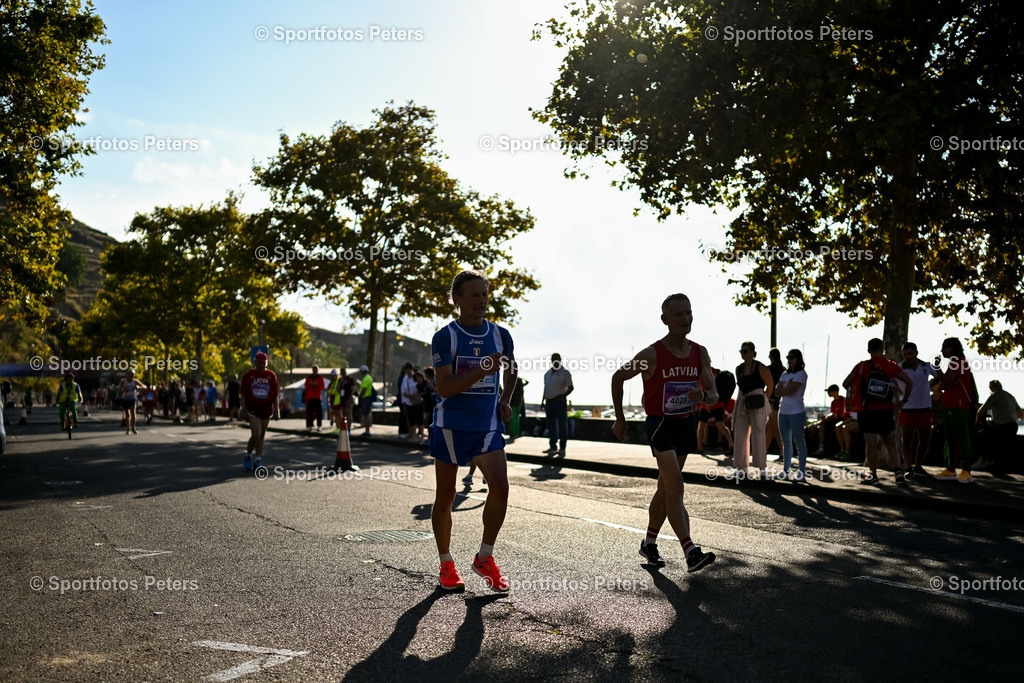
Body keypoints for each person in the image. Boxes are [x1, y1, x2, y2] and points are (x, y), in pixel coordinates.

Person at [611, 292, 717, 573]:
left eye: (689, 313)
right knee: (677, 486)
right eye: (679, 314)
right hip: (660, 425)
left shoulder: (699, 352)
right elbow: (618, 377)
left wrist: (703, 395)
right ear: (665, 320)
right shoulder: (651, 354)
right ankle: (690, 550)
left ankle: (649, 542)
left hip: (685, 426)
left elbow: (714, 393)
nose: (686, 318)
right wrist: (620, 419)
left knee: (666, 487)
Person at [429, 270, 517, 592]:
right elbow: (445, 387)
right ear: (458, 300)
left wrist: (504, 400)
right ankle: (446, 564)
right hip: (451, 427)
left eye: (484, 294)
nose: (481, 300)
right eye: (474, 295)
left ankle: (485, 557)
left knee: (501, 487)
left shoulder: (500, 335)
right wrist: (480, 369)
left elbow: (512, 368)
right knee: (447, 496)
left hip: (486, 427)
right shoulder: (446, 337)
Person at [843, 338, 913, 485]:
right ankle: (898, 472)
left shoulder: (861, 367)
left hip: (866, 410)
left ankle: (873, 475)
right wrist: (903, 400)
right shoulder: (891, 366)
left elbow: (845, 383)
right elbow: (908, 382)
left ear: (868, 350)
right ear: (883, 349)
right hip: (886, 410)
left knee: (871, 444)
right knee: (890, 443)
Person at [932, 338, 978, 482]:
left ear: (952, 348)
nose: (942, 350)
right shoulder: (955, 364)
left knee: (962, 437)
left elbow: (947, 381)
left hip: (958, 406)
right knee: (951, 438)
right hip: (950, 405)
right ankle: (951, 469)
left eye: (944, 347)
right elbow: (949, 383)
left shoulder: (960, 363)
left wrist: (938, 368)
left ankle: (966, 471)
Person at [733, 342, 774, 479]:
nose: (743, 354)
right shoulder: (739, 368)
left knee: (759, 434)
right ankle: (741, 466)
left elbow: (770, 385)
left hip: (757, 402)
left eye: (745, 351)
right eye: (741, 351)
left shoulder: (761, 367)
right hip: (743, 400)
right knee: (740, 434)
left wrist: (763, 400)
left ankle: (762, 467)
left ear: (752, 352)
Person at [897, 342, 938, 479]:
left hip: (925, 408)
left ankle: (918, 466)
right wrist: (899, 395)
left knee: (925, 439)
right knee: (906, 439)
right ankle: (908, 467)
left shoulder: (927, 366)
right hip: (907, 409)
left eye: (910, 353)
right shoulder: (900, 367)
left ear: (916, 352)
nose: (908, 356)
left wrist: (929, 386)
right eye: (905, 354)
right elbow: (892, 383)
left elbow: (939, 377)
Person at [774, 349, 810, 481]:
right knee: (786, 443)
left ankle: (801, 471)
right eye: (788, 357)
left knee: (799, 442)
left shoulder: (801, 374)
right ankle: (786, 471)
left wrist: (783, 389)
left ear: (798, 359)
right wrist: (784, 389)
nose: (789, 360)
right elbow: (776, 391)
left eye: (792, 357)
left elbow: (790, 390)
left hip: (797, 412)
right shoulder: (785, 374)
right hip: (783, 411)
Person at [240, 352, 279, 472]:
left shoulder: (271, 375)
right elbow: (243, 395)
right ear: (255, 362)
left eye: (263, 363)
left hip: (266, 408)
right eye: (259, 363)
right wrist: (243, 409)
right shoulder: (249, 375)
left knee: (261, 435)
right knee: (255, 434)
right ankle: (248, 455)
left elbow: (275, 396)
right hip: (252, 408)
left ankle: (258, 460)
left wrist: (277, 410)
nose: (261, 366)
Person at [976, 380, 1023, 472]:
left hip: (1003, 426)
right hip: (1013, 426)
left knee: (982, 434)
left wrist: (977, 422)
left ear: (991, 388)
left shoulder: (995, 395)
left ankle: (983, 460)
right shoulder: (1010, 396)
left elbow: (981, 410)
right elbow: (1021, 413)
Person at [542, 353, 573, 456]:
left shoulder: (565, 373)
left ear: (560, 360)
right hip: (549, 402)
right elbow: (545, 388)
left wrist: (562, 396)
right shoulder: (548, 374)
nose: (554, 360)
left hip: (559, 402)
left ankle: (562, 447)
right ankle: (553, 446)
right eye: (553, 359)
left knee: (562, 425)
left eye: (556, 359)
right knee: (551, 425)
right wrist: (542, 401)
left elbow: (571, 387)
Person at [697, 367, 734, 454]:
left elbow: (703, 388)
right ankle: (731, 444)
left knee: (702, 425)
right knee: (720, 425)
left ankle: (700, 447)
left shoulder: (702, 373)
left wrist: (706, 404)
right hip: (718, 402)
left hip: (706, 403)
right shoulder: (716, 371)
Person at [812, 385, 848, 456]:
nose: (828, 393)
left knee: (824, 424)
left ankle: (843, 449)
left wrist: (830, 417)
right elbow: (833, 413)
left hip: (841, 420)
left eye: (829, 391)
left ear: (835, 392)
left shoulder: (843, 400)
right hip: (834, 420)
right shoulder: (833, 402)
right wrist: (827, 417)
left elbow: (841, 415)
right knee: (822, 426)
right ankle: (821, 448)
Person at [766, 348, 786, 455]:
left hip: (771, 401)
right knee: (776, 428)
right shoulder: (783, 370)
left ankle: (764, 451)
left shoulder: (768, 369)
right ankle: (782, 451)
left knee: (771, 428)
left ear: (771, 357)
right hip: (780, 402)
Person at [119, 371, 145, 435]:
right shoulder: (123, 381)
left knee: (133, 412)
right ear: (128, 375)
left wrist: (138, 387)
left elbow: (144, 386)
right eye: (131, 375)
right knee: (127, 414)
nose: (132, 376)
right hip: (125, 398)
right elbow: (119, 390)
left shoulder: (135, 381)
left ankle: (133, 427)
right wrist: (123, 390)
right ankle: (128, 428)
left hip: (133, 398)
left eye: (133, 375)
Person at [403, 368, 425, 441]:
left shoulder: (422, 383)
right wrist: (410, 397)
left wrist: (416, 398)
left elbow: (420, 393)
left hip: (419, 403)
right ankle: (413, 435)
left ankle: (421, 435)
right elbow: (404, 392)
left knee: (420, 420)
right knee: (412, 420)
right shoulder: (405, 381)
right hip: (411, 403)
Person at [304, 365, 325, 431]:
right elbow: (306, 386)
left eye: (316, 370)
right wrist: (311, 384)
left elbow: (322, 387)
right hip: (310, 397)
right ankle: (310, 425)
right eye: (314, 369)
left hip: (318, 397)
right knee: (310, 412)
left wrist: (317, 385)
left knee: (318, 412)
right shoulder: (309, 377)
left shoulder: (320, 377)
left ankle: (319, 425)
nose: (314, 371)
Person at [507, 376, 528, 443]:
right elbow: (527, 382)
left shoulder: (512, 386)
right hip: (518, 403)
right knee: (516, 418)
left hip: (513, 403)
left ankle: (513, 432)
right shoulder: (520, 386)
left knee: (513, 419)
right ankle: (516, 432)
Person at [357, 365, 374, 437]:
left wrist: (359, 396)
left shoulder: (366, 378)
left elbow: (364, 389)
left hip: (366, 398)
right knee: (367, 414)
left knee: (366, 415)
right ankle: (367, 430)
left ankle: (367, 431)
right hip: (367, 398)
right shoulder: (368, 377)